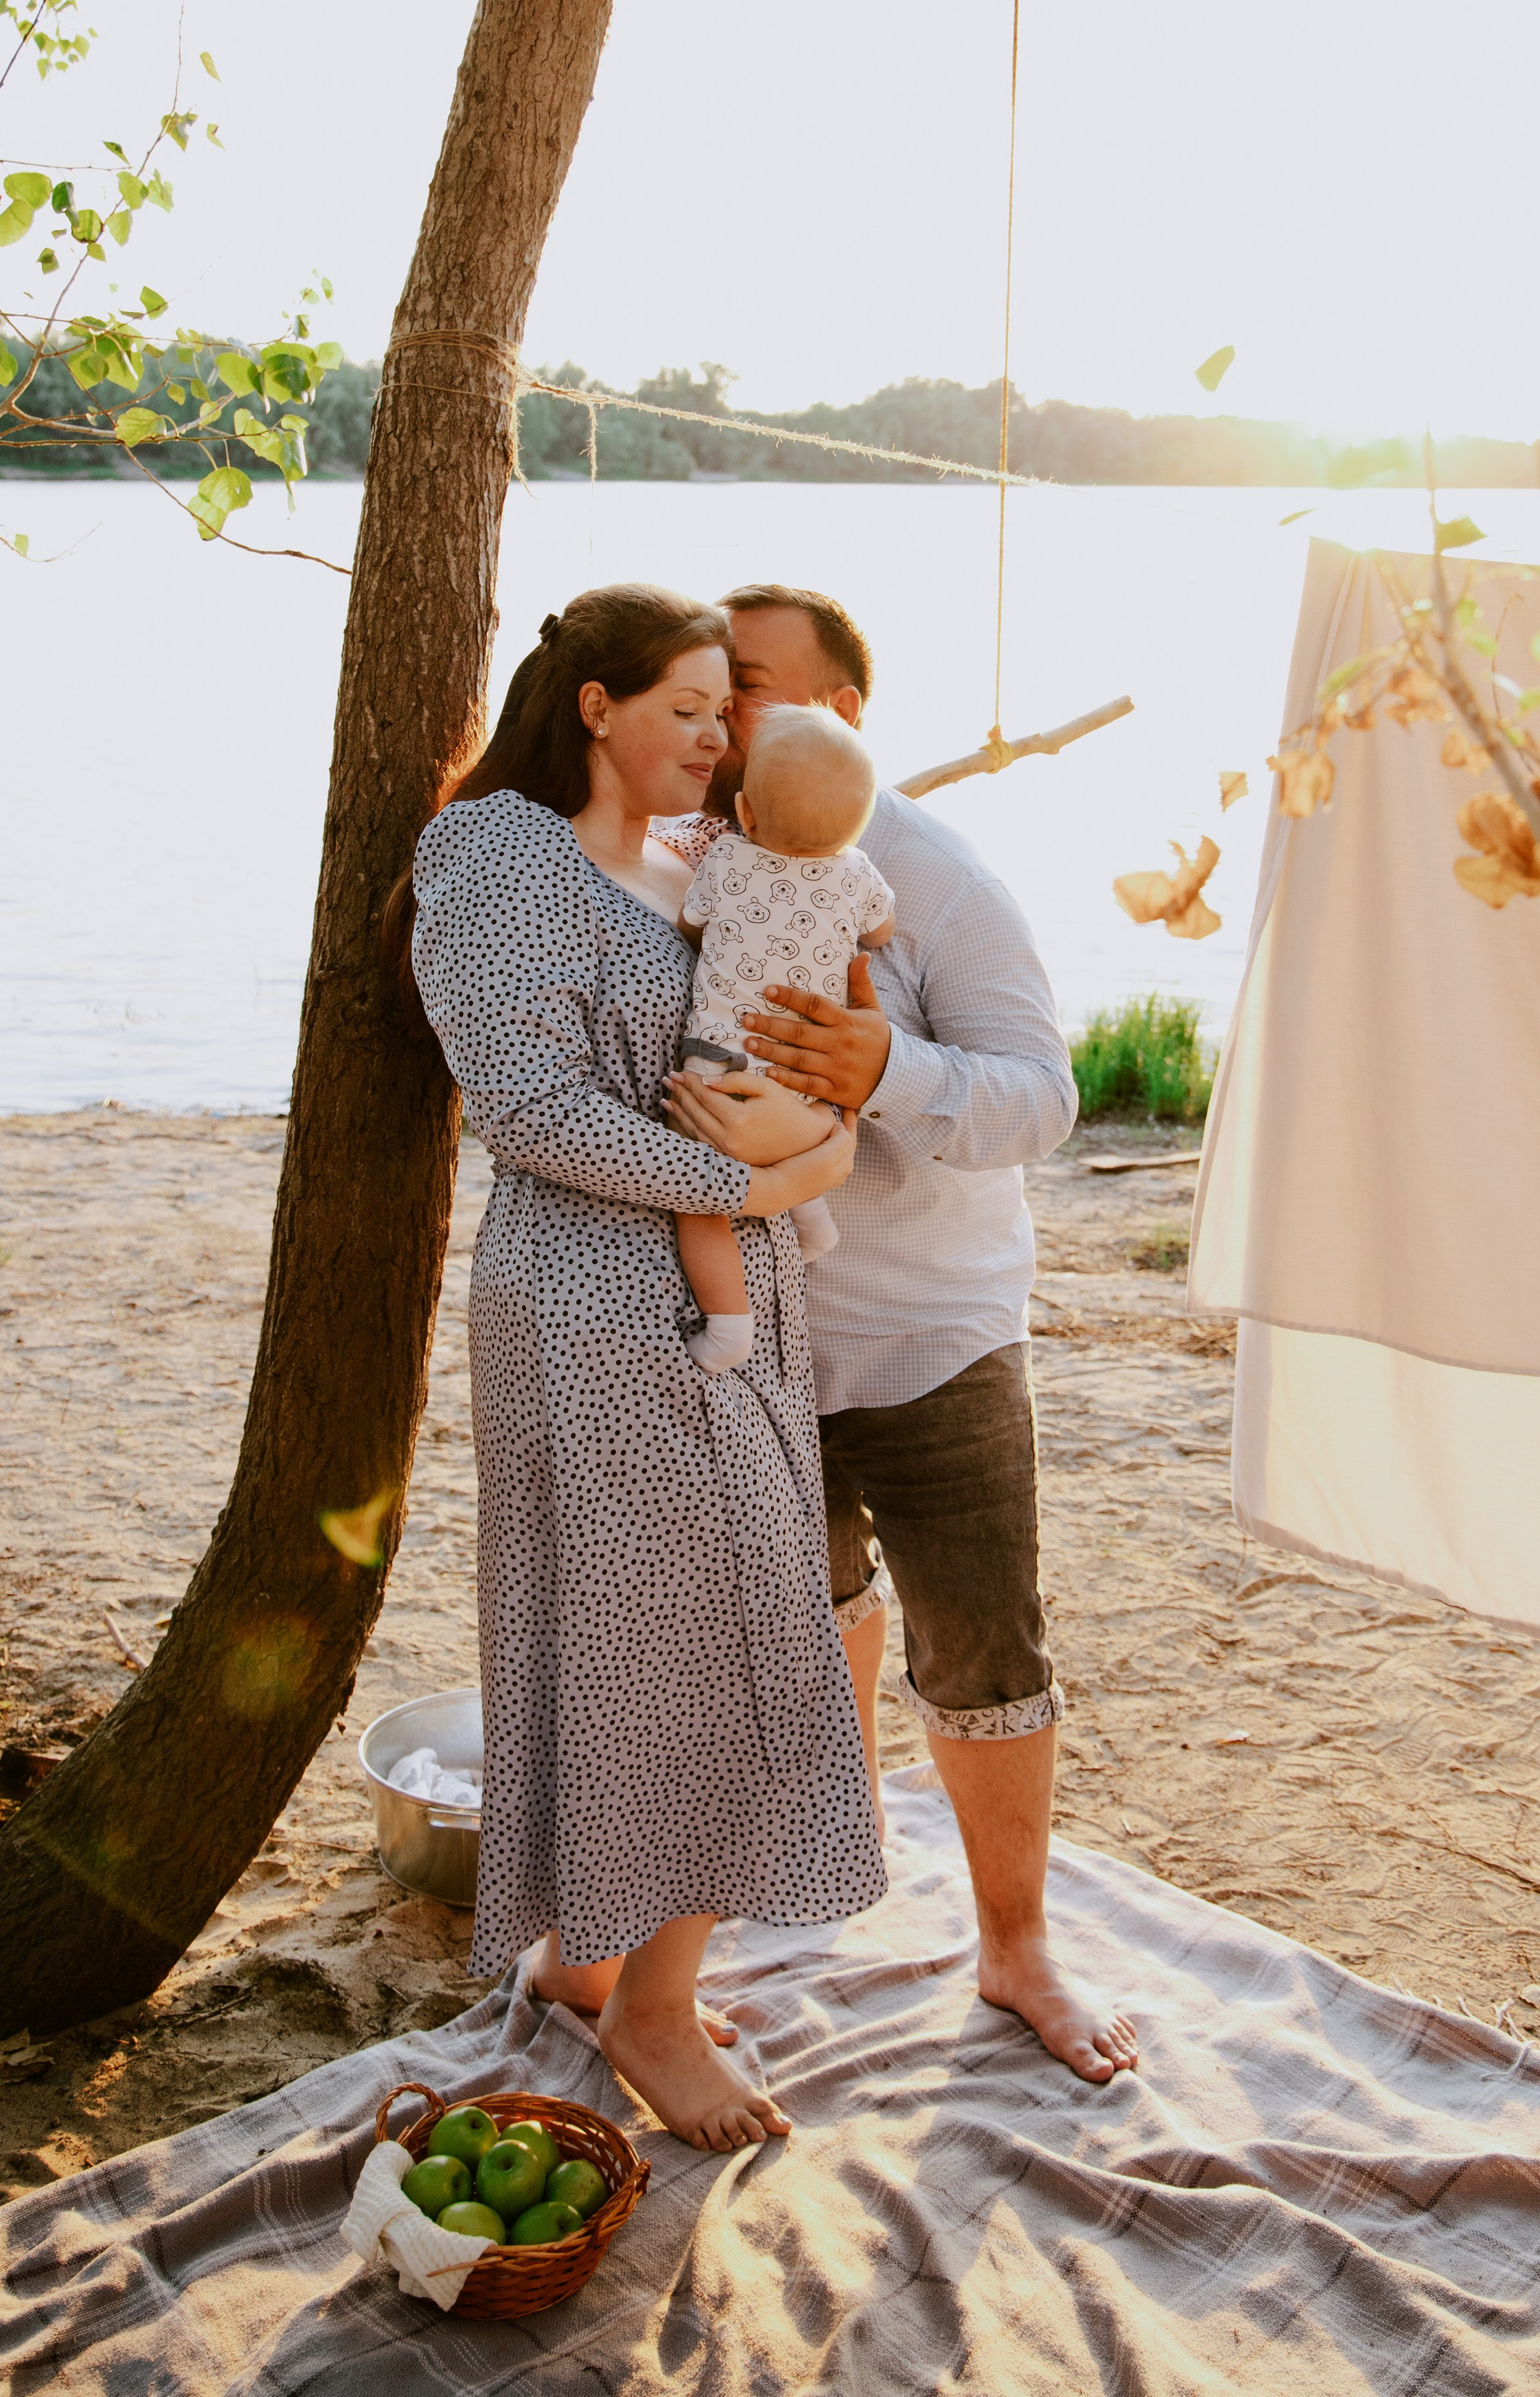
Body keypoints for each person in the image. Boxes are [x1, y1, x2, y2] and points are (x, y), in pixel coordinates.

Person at [392, 583, 887, 2151]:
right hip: (594, 1300)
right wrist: (756, 1188)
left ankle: (598, 1966)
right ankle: (650, 2008)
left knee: (698, 1634)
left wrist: (819, 1132)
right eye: (684, 707)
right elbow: (527, 1109)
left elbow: (769, 1038)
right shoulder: (497, 855)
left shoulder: (702, 864)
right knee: (675, 1642)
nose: (715, 736)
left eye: (723, 712)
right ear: (593, 708)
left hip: (728, 1292)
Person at [664, 583, 1139, 2087]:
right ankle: (849, 1828)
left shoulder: (928, 876)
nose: (711, 713)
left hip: (931, 1339)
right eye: (698, 687)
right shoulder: (686, 856)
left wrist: (884, 1065)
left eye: (740, 685)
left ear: (839, 714)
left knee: (982, 1650)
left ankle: (1013, 1947)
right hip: (752, 1329)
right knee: (808, 1604)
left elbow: (1042, 1103)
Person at [672, 704, 896, 1374]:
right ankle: (813, 1219)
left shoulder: (728, 854)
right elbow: (881, 933)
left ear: (744, 811)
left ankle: (728, 1323)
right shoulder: (857, 872)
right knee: (800, 1128)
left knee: (697, 1195)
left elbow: (689, 925)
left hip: (719, 1061)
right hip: (801, 1070)